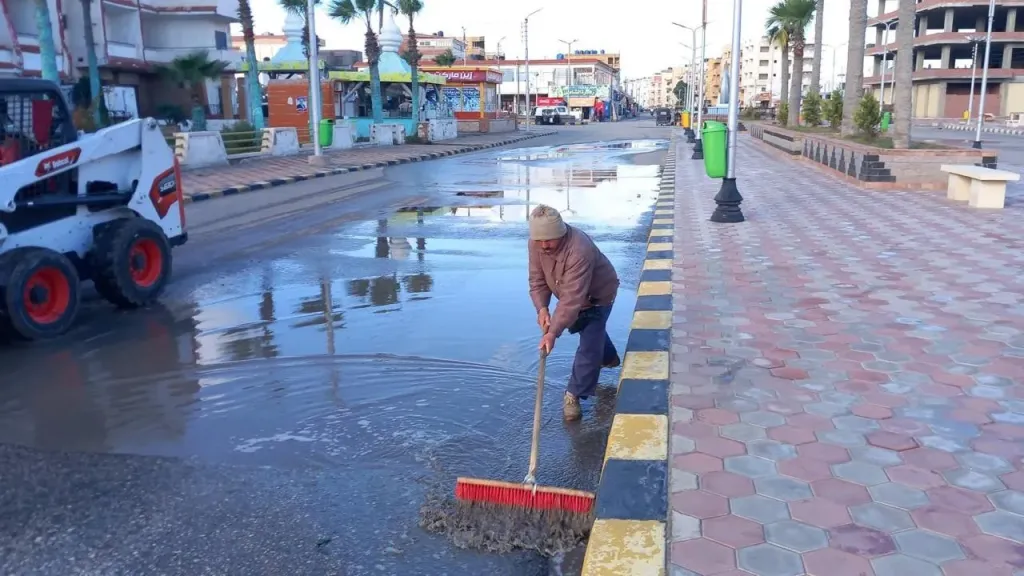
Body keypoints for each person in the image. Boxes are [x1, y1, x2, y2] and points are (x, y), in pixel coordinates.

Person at [528, 205, 620, 421]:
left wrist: (553, 332)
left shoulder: (579, 249)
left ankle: (574, 395)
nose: (544, 245)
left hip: (598, 296)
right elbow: (537, 278)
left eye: (549, 241)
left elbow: (572, 298)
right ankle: (608, 357)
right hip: (571, 294)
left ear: (561, 234)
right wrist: (542, 307)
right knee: (592, 333)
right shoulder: (536, 243)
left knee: (589, 343)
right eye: (540, 241)